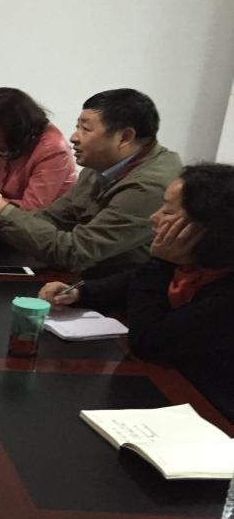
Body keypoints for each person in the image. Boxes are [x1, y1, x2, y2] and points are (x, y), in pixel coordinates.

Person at [38, 163, 234, 419]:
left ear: (204, 227)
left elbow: (148, 341)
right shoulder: (192, 265)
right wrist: (79, 293)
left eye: (168, 211)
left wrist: (160, 262)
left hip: (210, 411)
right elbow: (128, 283)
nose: (154, 217)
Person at [0, 88, 182, 276]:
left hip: (118, 296)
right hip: (85, 281)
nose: (74, 137)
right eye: (77, 127)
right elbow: (53, 217)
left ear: (125, 137)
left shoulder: (149, 187)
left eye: (86, 129)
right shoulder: (100, 165)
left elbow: (76, 253)